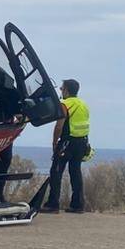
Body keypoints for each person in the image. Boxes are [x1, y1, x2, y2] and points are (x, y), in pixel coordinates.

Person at [42, 79, 90, 213]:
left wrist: (54, 142)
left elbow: (59, 126)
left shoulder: (65, 104)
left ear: (67, 90)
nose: (61, 91)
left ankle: (53, 204)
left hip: (67, 142)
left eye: (62, 88)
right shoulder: (83, 104)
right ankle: (77, 205)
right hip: (82, 142)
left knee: (56, 171)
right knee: (75, 172)